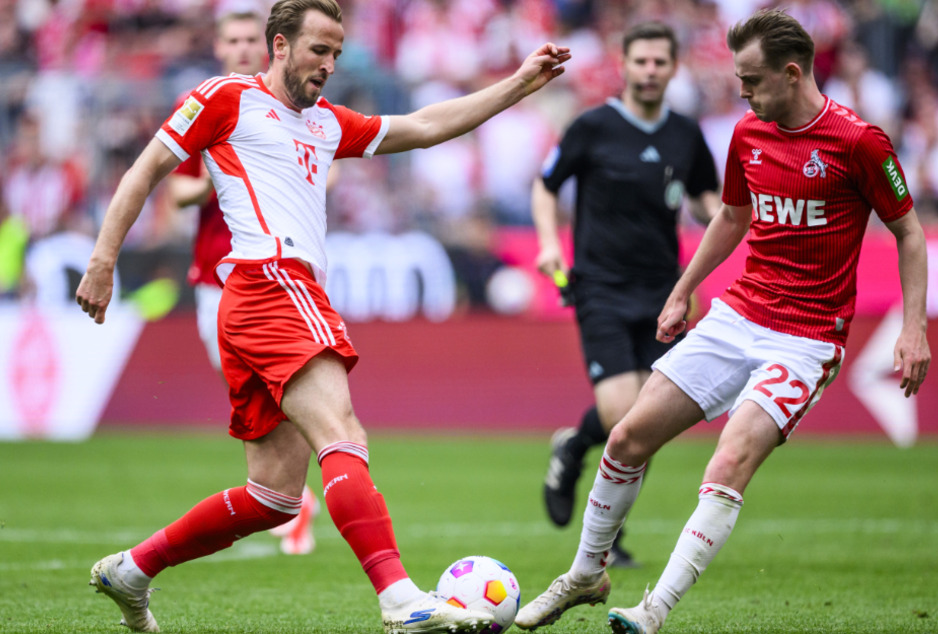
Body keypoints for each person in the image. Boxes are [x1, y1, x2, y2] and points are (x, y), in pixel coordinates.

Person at [76, 1, 570, 632]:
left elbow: (423, 124)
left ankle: (133, 569)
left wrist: (518, 85)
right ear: (279, 45)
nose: (330, 65)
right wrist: (103, 258)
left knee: (273, 496)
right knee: (343, 434)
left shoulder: (327, 123)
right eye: (318, 50)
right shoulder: (226, 98)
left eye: (336, 53)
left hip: (253, 302)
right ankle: (397, 596)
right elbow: (148, 168)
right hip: (270, 281)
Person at [515, 9, 929, 633]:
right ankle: (584, 574)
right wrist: (684, 291)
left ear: (792, 75)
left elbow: (911, 234)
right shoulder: (747, 134)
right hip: (738, 315)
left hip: (807, 339)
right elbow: (732, 218)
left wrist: (913, 327)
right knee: (627, 437)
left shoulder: (859, 142)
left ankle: (651, 612)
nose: (742, 91)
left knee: (727, 463)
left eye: (753, 80)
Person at [532, 21, 720, 569]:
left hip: (665, 291)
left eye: (660, 62)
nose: (650, 71)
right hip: (600, 287)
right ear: (624, 64)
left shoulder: (686, 134)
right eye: (641, 61)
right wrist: (548, 243)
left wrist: (725, 223)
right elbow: (545, 185)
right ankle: (575, 452)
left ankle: (599, 511)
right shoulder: (592, 126)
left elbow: (708, 197)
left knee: (648, 422)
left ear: (674, 67)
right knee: (623, 413)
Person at [166, 8, 320, 557]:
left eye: (246, 40)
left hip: (280, 271)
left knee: (289, 385)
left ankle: (290, 497)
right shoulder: (209, 105)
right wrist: (224, 167)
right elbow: (176, 191)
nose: (239, 49)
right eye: (229, 40)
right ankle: (284, 491)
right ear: (218, 46)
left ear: (268, 46)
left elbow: (327, 162)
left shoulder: (284, 107)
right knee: (249, 388)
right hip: (216, 275)